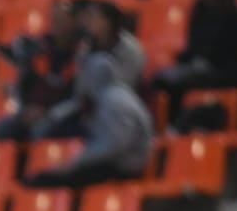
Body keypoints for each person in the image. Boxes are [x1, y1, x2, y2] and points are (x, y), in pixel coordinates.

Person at [22, 53, 153, 189]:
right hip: (115, 162)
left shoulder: (114, 100)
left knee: (48, 180)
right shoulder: (108, 96)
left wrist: (77, 163)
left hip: (124, 168)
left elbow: (113, 146)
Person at [154, 0, 237, 123]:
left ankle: (175, 125)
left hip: (224, 72)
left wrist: (205, 64)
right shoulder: (200, 11)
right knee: (159, 79)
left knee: (176, 82)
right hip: (199, 67)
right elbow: (193, 46)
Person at [0, 0, 85, 142]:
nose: (56, 25)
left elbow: (80, 98)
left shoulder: (83, 55)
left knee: (41, 132)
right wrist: (24, 111)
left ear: (74, 22)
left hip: (63, 117)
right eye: (54, 19)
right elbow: (23, 84)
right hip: (31, 112)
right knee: (1, 130)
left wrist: (48, 114)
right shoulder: (38, 49)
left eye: (61, 20)